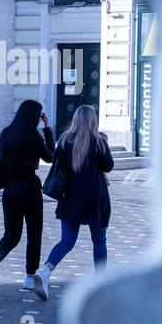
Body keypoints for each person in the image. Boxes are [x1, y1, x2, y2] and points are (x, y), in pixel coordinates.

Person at [34, 105, 113, 301]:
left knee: (67, 241)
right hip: (96, 198)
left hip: (71, 197)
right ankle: (101, 284)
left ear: (76, 120)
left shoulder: (65, 142)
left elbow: (56, 164)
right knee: (99, 242)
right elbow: (109, 166)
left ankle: (45, 272)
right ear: (92, 120)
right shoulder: (99, 142)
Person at [0, 100, 54, 294]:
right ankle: (29, 277)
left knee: (11, 234)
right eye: (39, 116)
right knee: (34, 233)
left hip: (9, 189)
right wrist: (47, 129)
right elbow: (50, 157)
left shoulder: (6, 133)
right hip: (29, 186)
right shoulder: (33, 136)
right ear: (34, 116)